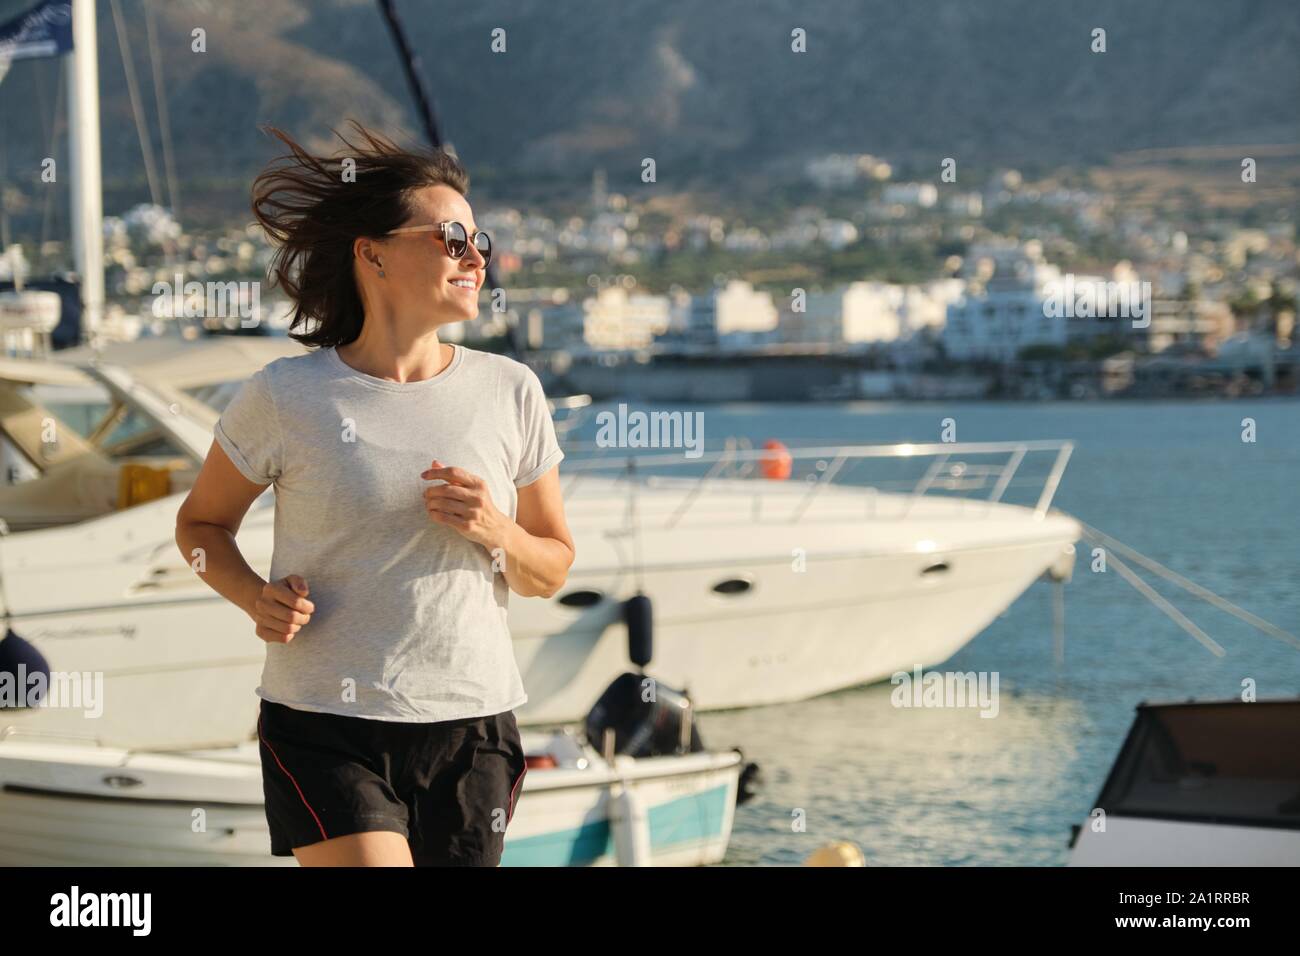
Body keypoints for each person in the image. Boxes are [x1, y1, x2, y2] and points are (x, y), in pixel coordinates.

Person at [174, 122, 574, 867]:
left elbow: (550, 570)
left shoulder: (511, 391)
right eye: (452, 236)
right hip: (325, 721)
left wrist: (497, 530)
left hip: (473, 725)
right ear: (373, 252)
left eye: (479, 240)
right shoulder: (287, 396)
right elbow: (200, 525)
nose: (475, 256)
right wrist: (250, 594)